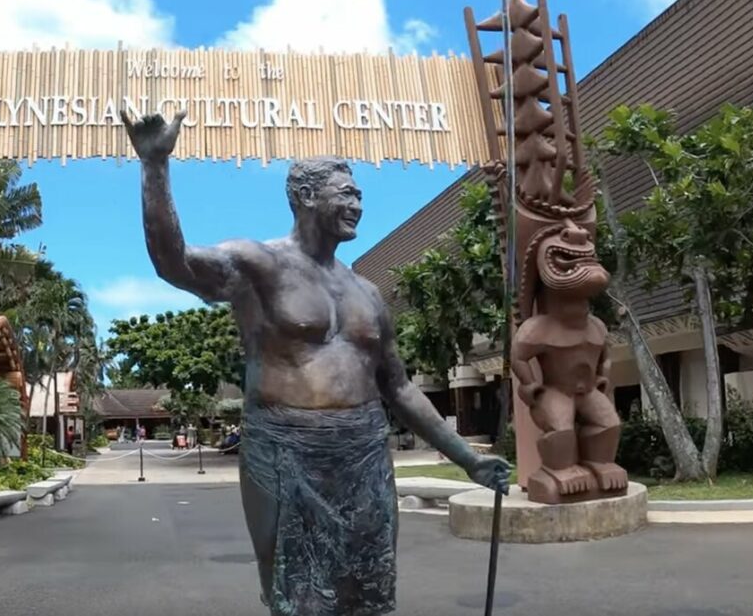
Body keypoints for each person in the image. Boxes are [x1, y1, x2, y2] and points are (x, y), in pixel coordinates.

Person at [123, 111, 509, 616]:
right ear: (306, 197)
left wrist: (469, 458)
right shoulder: (257, 263)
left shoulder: (366, 292)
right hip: (285, 448)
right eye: (345, 194)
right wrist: (155, 165)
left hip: (364, 450)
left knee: (370, 594)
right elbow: (175, 263)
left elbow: (401, 388)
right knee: (297, 600)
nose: (356, 205)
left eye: (360, 197)